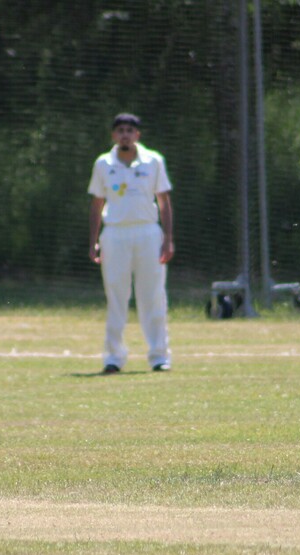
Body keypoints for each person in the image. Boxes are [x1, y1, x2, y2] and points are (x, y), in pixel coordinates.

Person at [87, 113, 174, 374]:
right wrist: (93, 241)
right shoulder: (103, 163)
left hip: (147, 233)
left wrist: (168, 238)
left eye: (130, 130)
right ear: (114, 135)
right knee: (116, 296)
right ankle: (113, 357)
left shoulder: (153, 160)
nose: (125, 134)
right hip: (114, 234)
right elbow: (97, 203)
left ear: (138, 135)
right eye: (120, 130)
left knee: (153, 296)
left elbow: (164, 200)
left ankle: (159, 356)